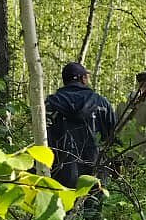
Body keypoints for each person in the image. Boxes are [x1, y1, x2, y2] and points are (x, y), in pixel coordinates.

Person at [46, 62, 115, 208]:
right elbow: (112, 135)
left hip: (59, 167)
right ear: (83, 79)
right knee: (92, 210)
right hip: (94, 166)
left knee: (61, 212)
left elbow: (42, 136)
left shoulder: (50, 104)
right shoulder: (101, 103)